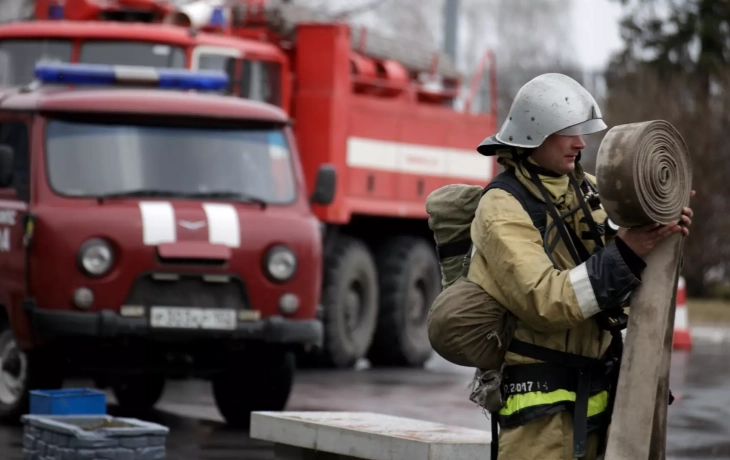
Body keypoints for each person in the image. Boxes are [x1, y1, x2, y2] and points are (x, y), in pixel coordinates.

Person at [469, 73, 694, 460]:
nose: (581, 142)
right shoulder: (501, 207)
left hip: (601, 409)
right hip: (538, 425)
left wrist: (662, 226)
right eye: (567, 131)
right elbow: (544, 300)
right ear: (533, 135)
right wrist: (626, 250)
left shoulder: (589, 188)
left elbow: (627, 273)